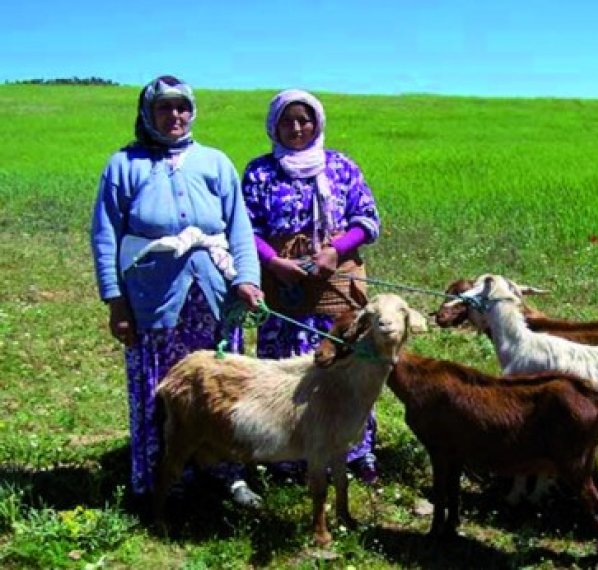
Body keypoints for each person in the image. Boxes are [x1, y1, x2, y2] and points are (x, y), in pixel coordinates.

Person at [90, 75, 264, 508]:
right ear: (148, 113)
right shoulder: (123, 165)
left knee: (221, 384)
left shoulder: (215, 162)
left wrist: (247, 279)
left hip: (212, 294)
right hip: (152, 296)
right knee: (160, 385)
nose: (175, 116)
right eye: (164, 108)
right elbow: (105, 235)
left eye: (182, 107)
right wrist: (116, 300)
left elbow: (239, 228)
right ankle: (163, 475)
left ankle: (226, 472)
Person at [241, 89, 381, 483]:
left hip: (335, 277)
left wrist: (336, 250)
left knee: (347, 365)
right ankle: (288, 456)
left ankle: (355, 453)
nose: (297, 128)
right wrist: (273, 262)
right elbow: (243, 228)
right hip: (283, 280)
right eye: (288, 121)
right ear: (274, 126)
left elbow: (368, 220)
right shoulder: (260, 172)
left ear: (317, 122)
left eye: (305, 120)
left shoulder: (341, 167)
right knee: (286, 371)